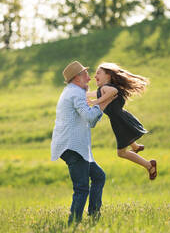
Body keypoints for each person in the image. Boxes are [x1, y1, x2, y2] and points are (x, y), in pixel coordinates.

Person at [51, 61, 107, 225]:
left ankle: (93, 216)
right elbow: (90, 117)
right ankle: (73, 224)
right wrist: (103, 102)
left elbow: (91, 122)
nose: (89, 78)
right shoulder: (75, 93)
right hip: (72, 146)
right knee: (82, 188)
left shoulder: (72, 91)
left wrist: (100, 105)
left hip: (74, 147)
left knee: (98, 177)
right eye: (85, 75)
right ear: (77, 78)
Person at [87, 62, 157, 180]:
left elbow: (112, 92)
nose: (95, 76)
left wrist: (95, 102)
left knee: (121, 153)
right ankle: (135, 147)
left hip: (120, 121)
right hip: (121, 119)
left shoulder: (106, 88)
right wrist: (79, 94)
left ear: (108, 75)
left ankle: (149, 165)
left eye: (98, 73)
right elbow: (91, 94)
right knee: (123, 148)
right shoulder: (102, 89)